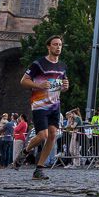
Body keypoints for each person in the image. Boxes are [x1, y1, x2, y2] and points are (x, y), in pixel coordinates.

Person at [15, 35, 69, 180]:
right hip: (39, 104)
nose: (58, 47)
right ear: (48, 46)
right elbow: (23, 81)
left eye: (60, 45)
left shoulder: (62, 66)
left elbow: (61, 85)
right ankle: (25, 151)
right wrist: (38, 85)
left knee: (52, 135)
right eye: (55, 44)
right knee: (42, 135)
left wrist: (65, 87)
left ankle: (39, 168)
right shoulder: (38, 64)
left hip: (54, 105)